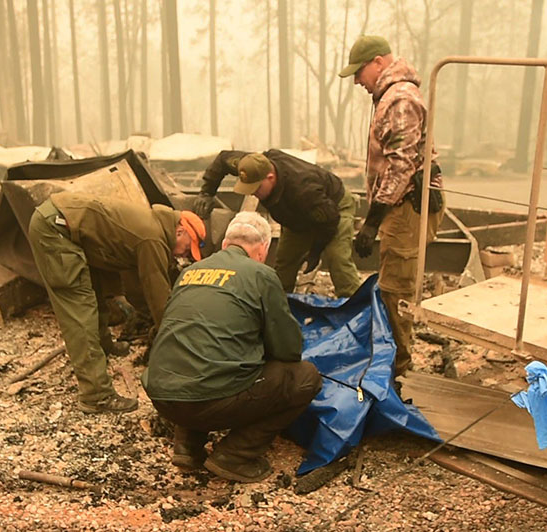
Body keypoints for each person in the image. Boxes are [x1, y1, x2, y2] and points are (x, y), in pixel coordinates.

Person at [142, 212, 323, 483]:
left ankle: (187, 445)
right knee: (305, 377)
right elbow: (288, 351)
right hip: (208, 400)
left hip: (161, 395)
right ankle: (235, 454)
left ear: (225, 245)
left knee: (195, 354)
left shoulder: (189, 273)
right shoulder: (262, 274)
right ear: (262, 250)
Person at [28, 191, 206, 414]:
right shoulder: (152, 238)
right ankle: (95, 396)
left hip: (69, 225)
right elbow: (157, 296)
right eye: (188, 247)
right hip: (56, 228)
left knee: (95, 291)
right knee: (79, 311)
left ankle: (103, 346)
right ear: (179, 231)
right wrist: (175, 341)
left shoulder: (154, 228)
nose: (185, 255)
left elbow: (137, 291)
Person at [339, 35, 446, 376]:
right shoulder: (391, 97)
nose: (357, 80)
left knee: (396, 293)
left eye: (360, 72)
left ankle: (397, 373)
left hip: (405, 208)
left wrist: (373, 221)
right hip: (399, 208)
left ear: (379, 63)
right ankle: (392, 364)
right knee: (391, 285)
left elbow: (401, 165)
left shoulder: (400, 99)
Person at [191, 150, 361, 297]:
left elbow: (330, 220)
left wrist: (315, 251)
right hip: (294, 216)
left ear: (270, 178)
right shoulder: (250, 166)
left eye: (256, 189)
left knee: (337, 258)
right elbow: (222, 160)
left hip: (334, 208)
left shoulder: (304, 189)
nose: (254, 194)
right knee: (284, 263)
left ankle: (356, 309)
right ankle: (279, 305)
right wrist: (206, 193)